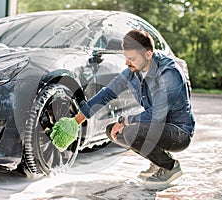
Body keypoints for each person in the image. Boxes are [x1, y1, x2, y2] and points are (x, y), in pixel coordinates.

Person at [57, 30, 195, 187]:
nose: (127, 63)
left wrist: (124, 121)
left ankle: (170, 167)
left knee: (130, 131)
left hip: (179, 132)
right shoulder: (133, 71)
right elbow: (106, 94)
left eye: (132, 59)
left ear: (148, 54)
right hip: (158, 128)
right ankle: (159, 161)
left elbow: (157, 115)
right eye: (126, 58)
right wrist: (76, 121)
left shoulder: (169, 73)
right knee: (113, 131)